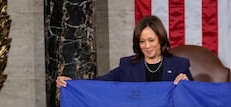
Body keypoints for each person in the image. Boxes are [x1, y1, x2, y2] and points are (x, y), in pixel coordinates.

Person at [56, 15, 193, 87]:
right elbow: (100, 82)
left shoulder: (180, 65)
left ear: (161, 39)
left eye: (151, 40)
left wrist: (187, 84)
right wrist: (71, 83)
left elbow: (197, 96)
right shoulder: (127, 65)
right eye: (142, 41)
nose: (147, 46)